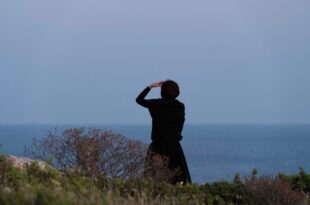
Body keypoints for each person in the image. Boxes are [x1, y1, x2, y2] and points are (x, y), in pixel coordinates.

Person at [136, 80, 191, 184]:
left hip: (158, 147)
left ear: (162, 92)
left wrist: (150, 86)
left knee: (152, 178)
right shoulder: (180, 106)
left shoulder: (156, 104)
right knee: (177, 180)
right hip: (175, 148)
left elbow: (139, 100)